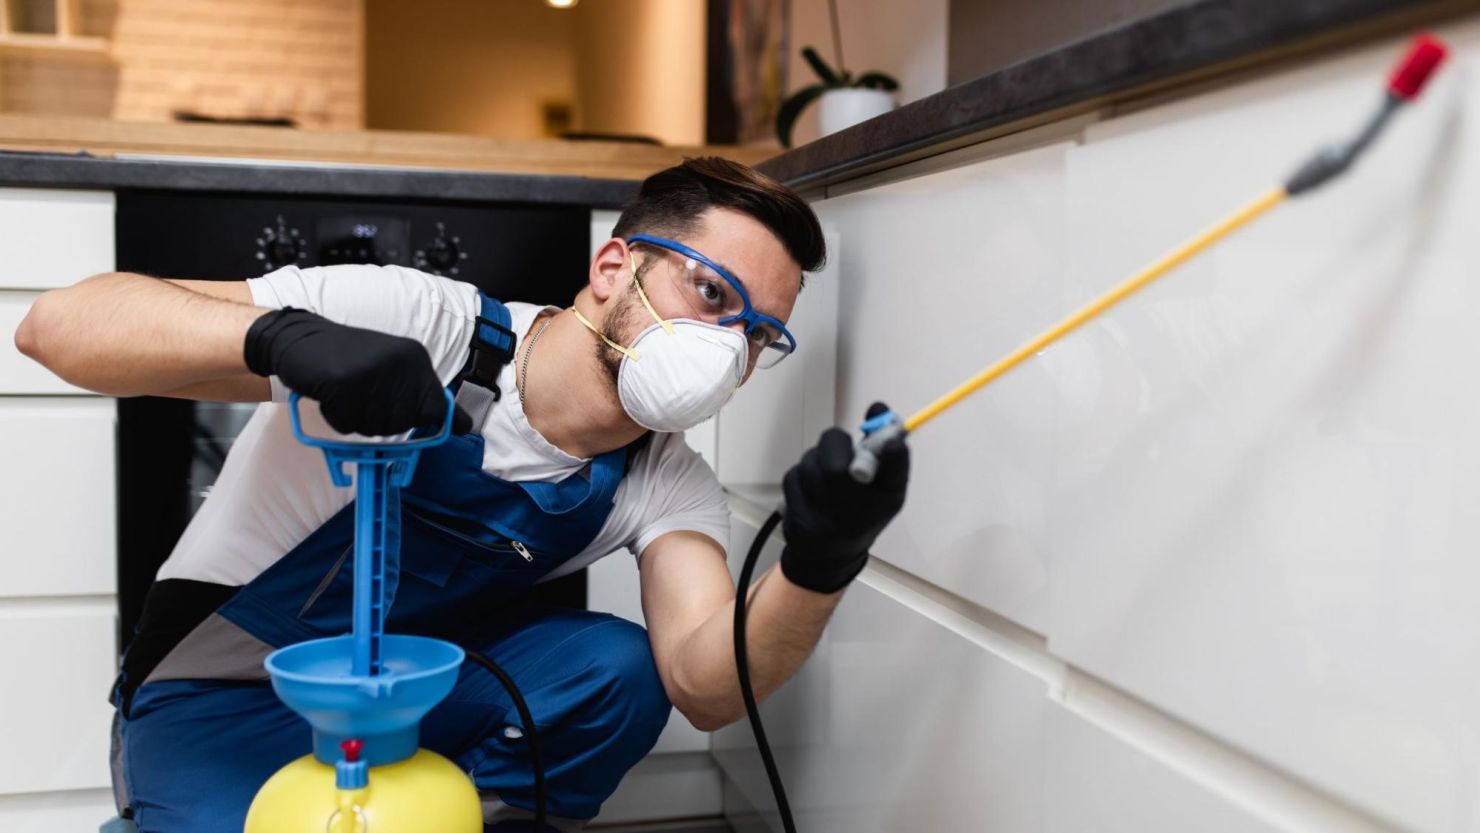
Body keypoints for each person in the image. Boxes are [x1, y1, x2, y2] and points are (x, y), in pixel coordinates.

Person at [15, 157, 910, 832]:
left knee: (618, 671)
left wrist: (818, 564)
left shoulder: (664, 479)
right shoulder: (423, 320)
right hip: (222, 697)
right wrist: (282, 337)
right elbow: (57, 325)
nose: (725, 346)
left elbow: (704, 683)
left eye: (757, 334)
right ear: (613, 269)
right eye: (710, 293)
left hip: (407, 700)